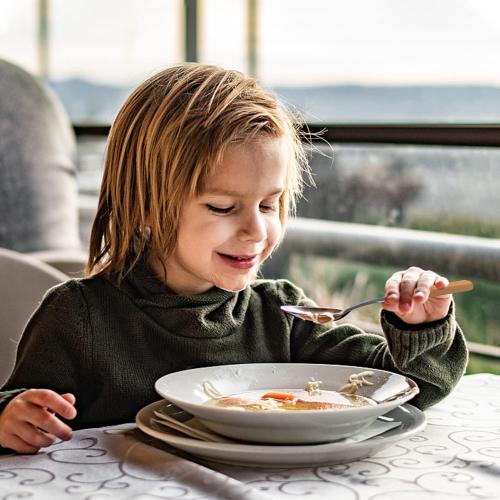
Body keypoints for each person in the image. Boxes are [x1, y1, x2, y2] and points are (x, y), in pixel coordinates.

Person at [0, 63, 468, 454]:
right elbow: (18, 410)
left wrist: (421, 328)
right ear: (143, 205)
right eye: (222, 207)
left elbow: (406, 387)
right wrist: (12, 418)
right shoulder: (79, 317)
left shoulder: (281, 315)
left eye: (269, 204)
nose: (256, 230)